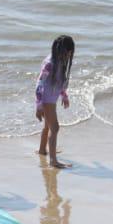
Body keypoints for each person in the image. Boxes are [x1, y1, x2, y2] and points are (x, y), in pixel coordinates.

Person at [35, 35, 75, 169]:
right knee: (55, 128)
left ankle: (42, 150)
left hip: (52, 98)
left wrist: (64, 96)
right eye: (68, 52)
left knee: (48, 126)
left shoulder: (60, 61)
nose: (69, 55)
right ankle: (53, 161)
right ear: (62, 50)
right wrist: (39, 105)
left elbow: (59, 83)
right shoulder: (49, 63)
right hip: (46, 99)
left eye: (70, 53)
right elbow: (39, 84)